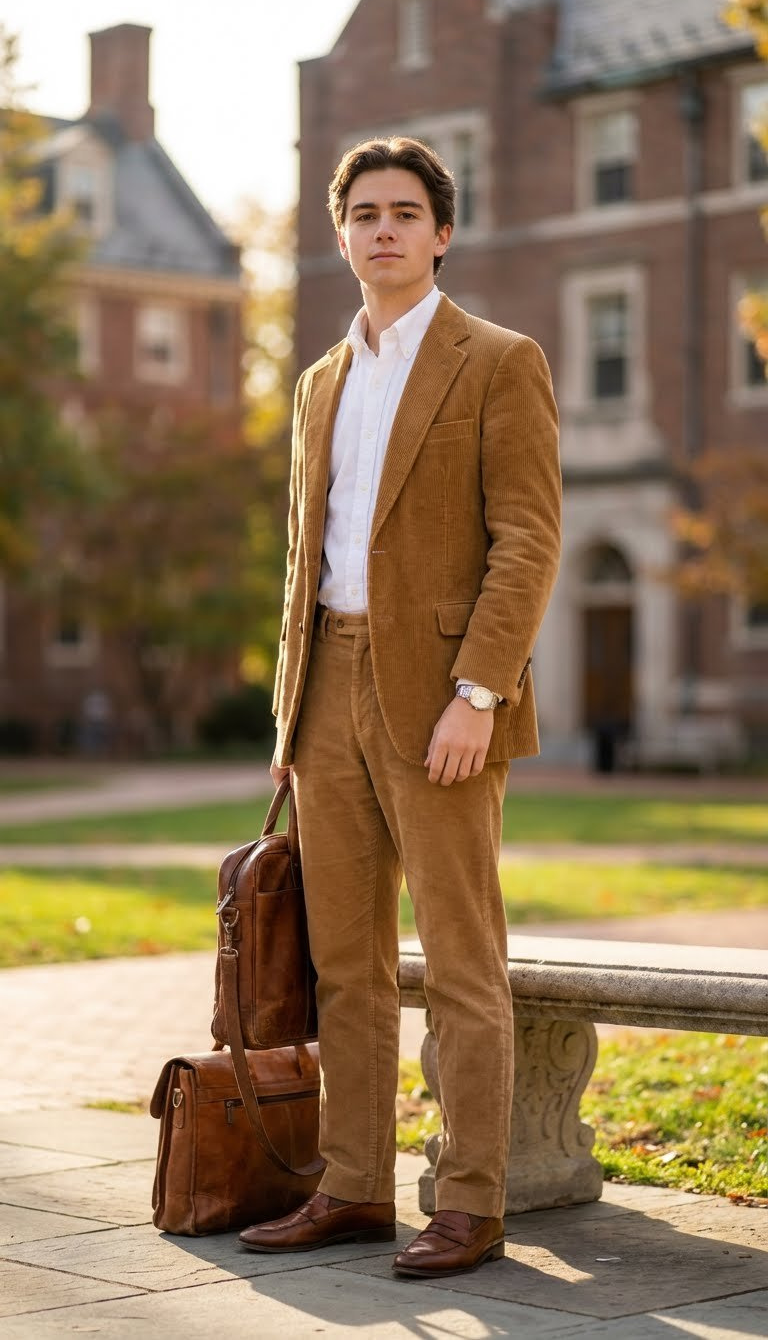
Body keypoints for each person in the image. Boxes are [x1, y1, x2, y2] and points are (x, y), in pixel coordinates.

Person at [239, 137, 561, 1278]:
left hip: (443, 696)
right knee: (347, 961)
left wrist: (480, 690)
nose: (384, 229)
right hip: (326, 685)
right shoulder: (318, 380)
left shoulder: (498, 360)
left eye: (405, 212)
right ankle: (353, 1186)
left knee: (463, 958)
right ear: (340, 234)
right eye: (364, 212)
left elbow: (525, 541)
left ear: (441, 232)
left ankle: (471, 1200)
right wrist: (287, 720)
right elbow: (299, 556)